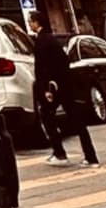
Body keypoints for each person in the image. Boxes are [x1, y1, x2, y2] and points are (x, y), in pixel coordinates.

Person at [30, 15, 97, 165]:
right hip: (64, 85)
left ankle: (60, 154)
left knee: (47, 116)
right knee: (76, 119)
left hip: (53, 87)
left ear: (36, 23)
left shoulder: (42, 41)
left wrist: (47, 87)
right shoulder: (52, 40)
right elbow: (63, 62)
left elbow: (42, 68)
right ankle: (90, 156)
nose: (30, 24)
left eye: (31, 22)